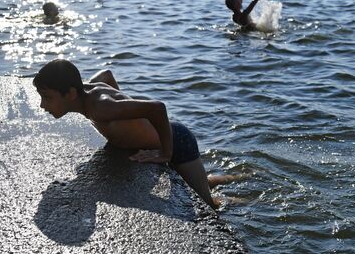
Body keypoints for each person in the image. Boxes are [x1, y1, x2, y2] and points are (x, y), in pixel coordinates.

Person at [33, 59, 238, 209]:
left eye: (47, 98)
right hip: (161, 138)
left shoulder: (102, 107)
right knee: (203, 182)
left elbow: (157, 108)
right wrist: (126, 124)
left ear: (70, 93)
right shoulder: (87, 90)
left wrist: (165, 154)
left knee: (209, 206)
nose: (43, 105)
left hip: (178, 143)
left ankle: (250, 198)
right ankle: (231, 177)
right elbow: (107, 75)